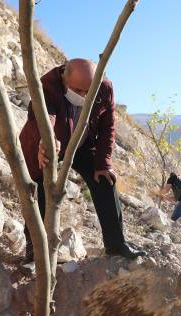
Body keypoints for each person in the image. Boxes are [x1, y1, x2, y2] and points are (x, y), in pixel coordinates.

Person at [19, 59, 145, 261]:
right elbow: (42, 117)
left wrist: (103, 163)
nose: (84, 96)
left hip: (82, 143)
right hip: (47, 144)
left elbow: (107, 125)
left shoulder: (104, 88)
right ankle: (35, 253)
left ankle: (116, 244)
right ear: (63, 77)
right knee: (40, 192)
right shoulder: (46, 85)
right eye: (78, 90)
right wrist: (47, 141)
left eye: (89, 91)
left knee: (105, 180)